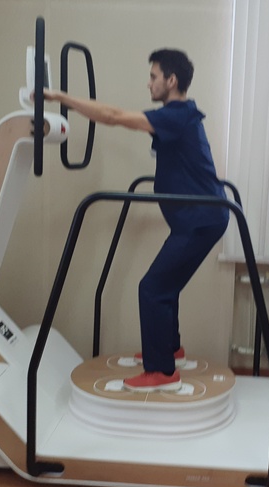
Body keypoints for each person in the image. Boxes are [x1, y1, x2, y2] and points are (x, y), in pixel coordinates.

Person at [41, 49, 229, 392]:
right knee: (166, 285)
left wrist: (60, 97)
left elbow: (112, 116)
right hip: (200, 217)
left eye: (153, 77)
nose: (149, 83)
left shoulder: (176, 115)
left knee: (152, 288)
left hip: (200, 218)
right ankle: (171, 349)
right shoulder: (182, 115)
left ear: (171, 81)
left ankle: (162, 372)